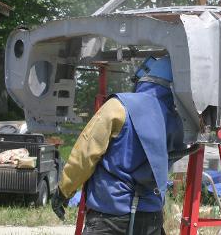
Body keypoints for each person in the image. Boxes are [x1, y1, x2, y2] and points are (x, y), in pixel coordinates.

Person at [52, 56, 186, 235]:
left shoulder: (118, 107)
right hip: (151, 217)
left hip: (110, 216)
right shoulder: (178, 121)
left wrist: (64, 190)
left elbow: (85, 154)